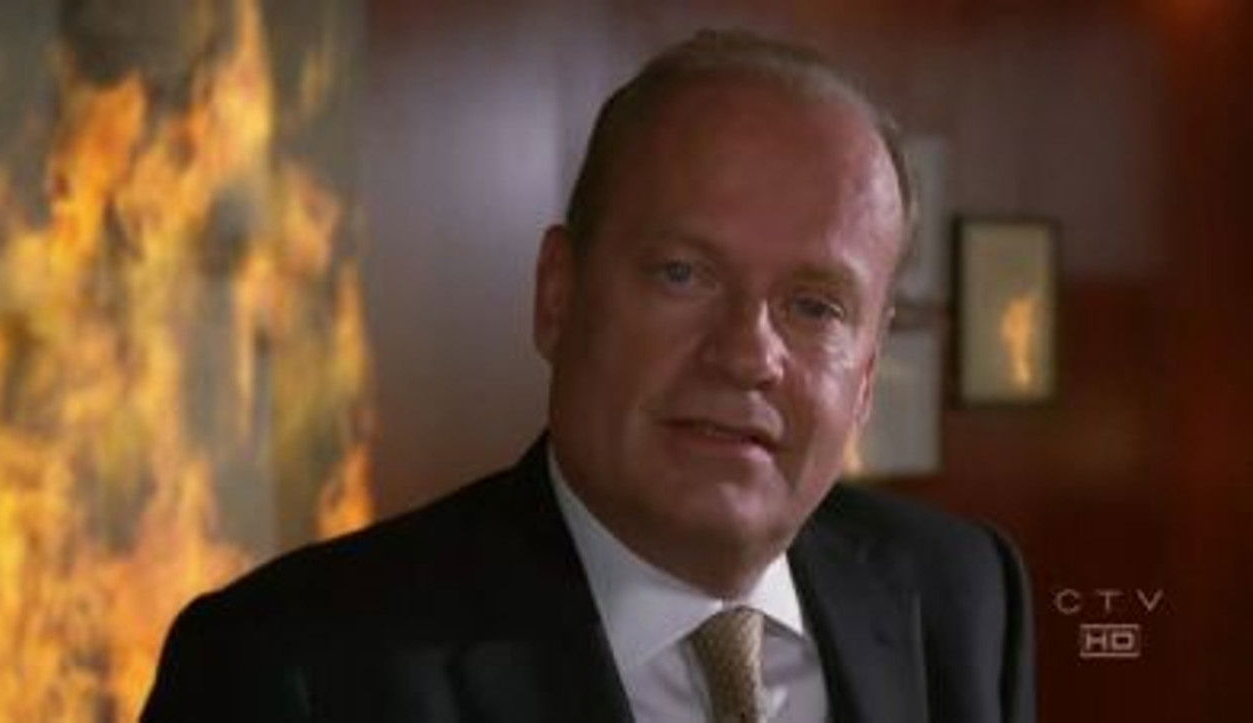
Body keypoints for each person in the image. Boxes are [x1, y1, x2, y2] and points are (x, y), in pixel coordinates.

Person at [142, 31, 1034, 723]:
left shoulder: (962, 594)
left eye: (815, 305)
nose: (747, 352)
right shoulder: (288, 668)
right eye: (684, 273)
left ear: (868, 373)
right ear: (558, 296)